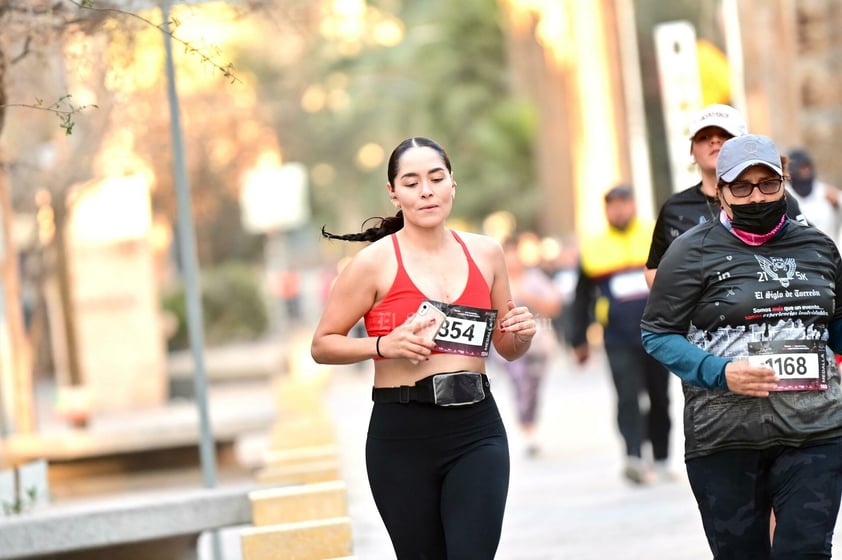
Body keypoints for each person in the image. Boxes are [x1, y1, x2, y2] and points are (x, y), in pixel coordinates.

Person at [310, 136, 537, 559]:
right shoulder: (373, 263)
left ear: (453, 183)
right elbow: (322, 345)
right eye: (411, 182)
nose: (426, 190)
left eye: (436, 178)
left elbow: (506, 347)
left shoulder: (486, 254)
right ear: (393, 193)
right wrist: (383, 346)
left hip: (476, 429)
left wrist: (521, 335)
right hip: (401, 436)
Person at [641, 134, 842, 559]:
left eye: (768, 184)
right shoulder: (690, 252)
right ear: (721, 191)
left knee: (804, 551)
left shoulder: (819, 247)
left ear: (783, 183)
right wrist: (720, 372)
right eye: (742, 186)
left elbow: (836, 325)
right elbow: (657, 333)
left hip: (816, 433)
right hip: (725, 439)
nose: (757, 196)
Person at [567, 185, 672, 485]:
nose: (619, 210)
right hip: (617, 337)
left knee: (659, 397)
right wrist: (578, 340)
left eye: (624, 203)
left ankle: (662, 458)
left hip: (658, 333)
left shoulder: (655, 235)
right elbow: (581, 297)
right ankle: (634, 456)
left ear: (634, 205)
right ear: (606, 210)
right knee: (627, 397)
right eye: (613, 205)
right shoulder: (594, 246)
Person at [645, 103, 806, 287]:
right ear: (691, 151)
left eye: (725, 135)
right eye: (704, 137)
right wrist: (689, 297)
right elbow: (653, 269)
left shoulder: (774, 200)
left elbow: (809, 252)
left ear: (745, 145)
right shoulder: (674, 208)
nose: (715, 141)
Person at [497, 233, 562, 457]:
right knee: (519, 381)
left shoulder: (534, 278)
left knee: (533, 385)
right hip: (508, 343)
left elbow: (554, 305)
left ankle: (530, 423)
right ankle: (527, 429)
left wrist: (528, 297)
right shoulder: (497, 280)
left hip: (538, 342)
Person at [786, 148, 842, 247]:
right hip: (802, 254)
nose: (805, 173)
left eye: (807, 168)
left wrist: (838, 201)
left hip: (830, 254)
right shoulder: (785, 196)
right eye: (801, 169)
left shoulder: (826, 192)